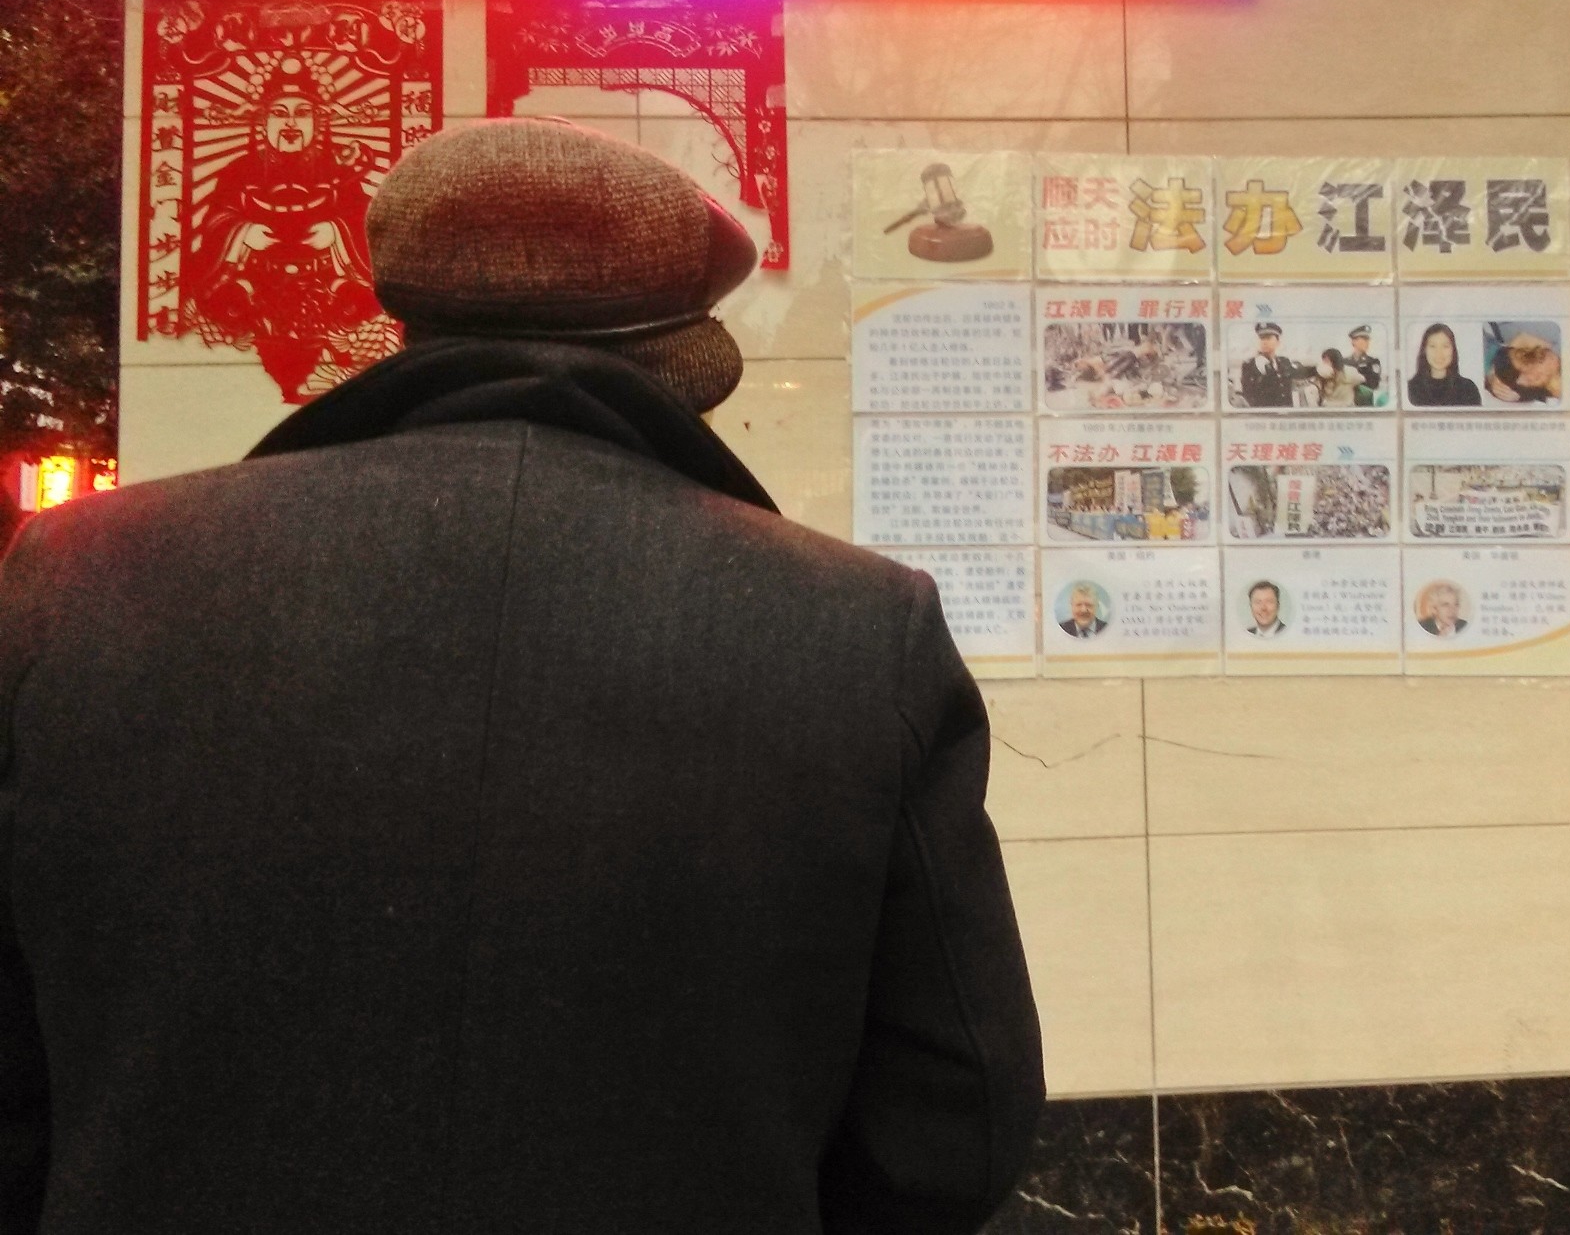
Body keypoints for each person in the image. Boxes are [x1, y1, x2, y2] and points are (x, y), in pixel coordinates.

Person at [0, 120, 1043, 1233]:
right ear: (684, 365)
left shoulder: (77, 582)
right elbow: (956, 1120)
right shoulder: (857, 630)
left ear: (403, 324)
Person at [179, 55, 393, 403]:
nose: (291, 123)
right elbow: (216, 222)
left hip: (324, 289)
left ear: (317, 122)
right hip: (257, 285)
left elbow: (362, 219)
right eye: (279, 113)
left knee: (360, 305)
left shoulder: (335, 169)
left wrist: (336, 232)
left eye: (302, 113)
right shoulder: (240, 171)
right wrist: (243, 234)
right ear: (263, 121)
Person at [1406, 322, 1482, 407]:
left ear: (1453, 350)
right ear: (1424, 350)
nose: (1439, 353)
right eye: (1432, 346)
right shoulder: (1409, 389)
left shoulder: (1468, 389)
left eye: (1445, 346)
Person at [1485, 328, 1563, 404]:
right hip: (1489, 351)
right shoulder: (1553, 360)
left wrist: (1518, 397)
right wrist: (1493, 373)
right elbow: (1523, 338)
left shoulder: (1542, 393)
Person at [1238, 321, 1300, 408]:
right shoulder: (1250, 365)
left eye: (1268, 338)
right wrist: (1266, 369)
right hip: (1264, 413)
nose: (1264, 342)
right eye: (1261, 338)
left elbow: (1299, 375)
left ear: (1278, 342)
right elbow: (1249, 396)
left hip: (1286, 412)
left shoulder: (1284, 362)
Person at [1345, 324, 1382, 392]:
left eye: (1368, 340)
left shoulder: (1373, 362)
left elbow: (1374, 384)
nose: (1367, 343)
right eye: (1364, 339)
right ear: (1354, 341)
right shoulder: (1344, 362)